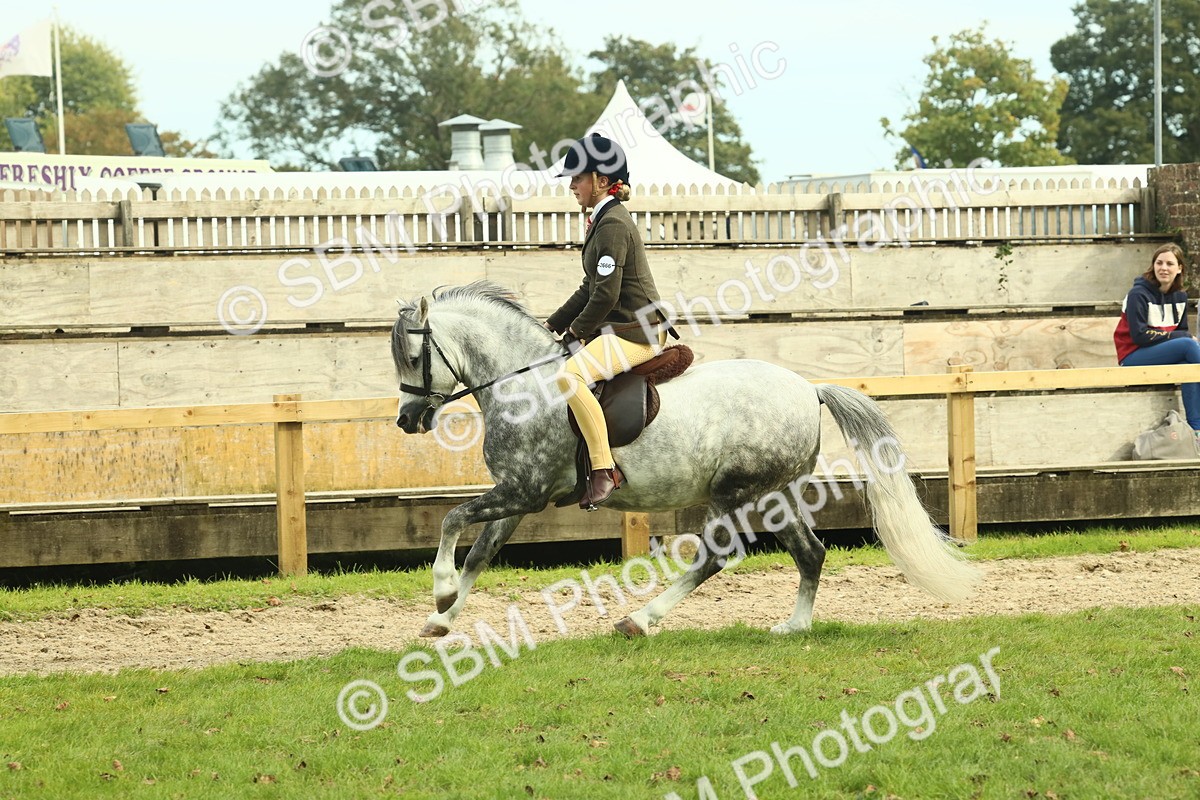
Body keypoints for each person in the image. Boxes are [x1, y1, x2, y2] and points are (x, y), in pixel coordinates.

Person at [544, 133, 671, 510]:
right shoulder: (602, 220)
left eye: (577, 178)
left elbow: (606, 295)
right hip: (623, 326)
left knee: (570, 376)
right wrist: (552, 325)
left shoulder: (613, 223)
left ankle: (603, 469)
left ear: (601, 180)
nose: (571, 186)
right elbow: (590, 286)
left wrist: (576, 333)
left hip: (637, 332)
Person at [1113, 242, 1200, 437]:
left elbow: (1182, 328)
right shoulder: (1138, 294)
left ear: (1179, 269)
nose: (1163, 268)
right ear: (1153, 266)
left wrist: (1182, 336)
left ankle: (1197, 430)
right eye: (1159, 263)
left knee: (1189, 364)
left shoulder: (1180, 296)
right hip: (1133, 355)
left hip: (1160, 352)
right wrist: (1182, 337)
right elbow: (1140, 336)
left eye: (1169, 264)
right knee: (1188, 345)